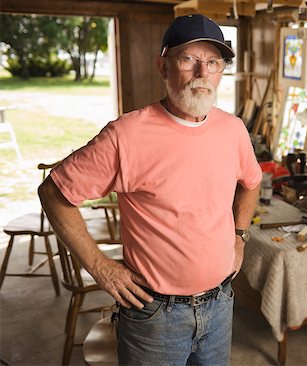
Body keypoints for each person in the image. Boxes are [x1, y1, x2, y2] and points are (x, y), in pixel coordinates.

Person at [38, 14, 261, 365]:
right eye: (189, 59)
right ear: (163, 65)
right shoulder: (127, 136)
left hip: (219, 306)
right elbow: (53, 193)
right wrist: (100, 266)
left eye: (213, 62)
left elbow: (251, 182)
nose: (203, 73)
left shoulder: (233, 130)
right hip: (155, 316)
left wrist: (239, 236)